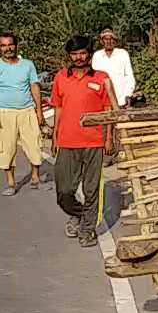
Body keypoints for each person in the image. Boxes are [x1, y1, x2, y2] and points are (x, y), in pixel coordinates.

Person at [51, 36, 116, 247]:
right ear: (69, 56)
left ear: (89, 54)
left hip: (94, 141)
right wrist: (54, 136)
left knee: (91, 189)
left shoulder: (101, 78)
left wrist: (109, 138)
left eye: (82, 53)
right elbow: (58, 108)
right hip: (67, 141)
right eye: (74, 54)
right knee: (64, 191)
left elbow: (109, 110)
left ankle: (87, 230)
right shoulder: (60, 77)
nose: (78, 58)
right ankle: (77, 214)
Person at [1, 31, 48, 196]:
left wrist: (39, 111)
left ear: (16, 45)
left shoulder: (27, 65)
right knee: (7, 148)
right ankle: (11, 183)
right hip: (5, 112)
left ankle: (36, 178)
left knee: (34, 144)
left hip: (27, 110)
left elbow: (34, 86)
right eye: (4, 46)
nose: (8, 48)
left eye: (10, 45)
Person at [91, 27, 137, 107]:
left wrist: (128, 94)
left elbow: (129, 76)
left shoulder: (123, 54)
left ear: (114, 41)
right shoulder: (97, 56)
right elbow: (94, 79)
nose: (108, 42)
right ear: (101, 41)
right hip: (103, 101)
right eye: (105, 39)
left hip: (122, 100)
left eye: (111, 39)